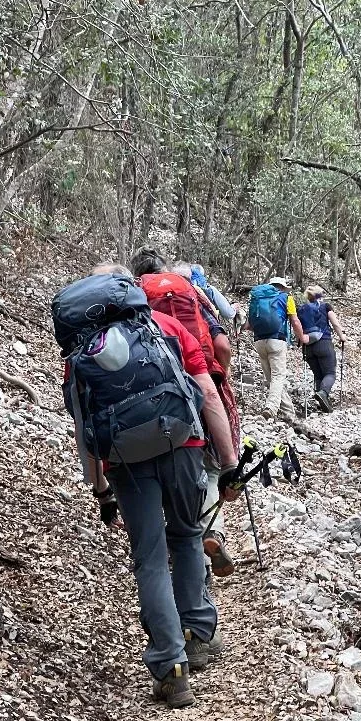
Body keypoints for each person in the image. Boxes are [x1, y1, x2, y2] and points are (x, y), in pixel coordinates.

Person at [55, 265, 239, 710]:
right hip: (183, 445)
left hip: (124, 462)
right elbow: (209, 395)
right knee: (188, 536)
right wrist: (229, 460)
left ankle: (170, 668)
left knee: (151, 558)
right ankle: (196, 633)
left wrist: (100, 488)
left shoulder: (83, 349)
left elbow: (85, 428)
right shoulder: (169, 327)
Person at [130, 248, 240, 580]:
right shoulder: (191, 292)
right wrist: (221, 374)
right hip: (201, 385)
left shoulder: (133, 296)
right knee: (208, 469)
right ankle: (208, 533)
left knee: (162, 469)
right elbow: (222, 347)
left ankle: (175, 546)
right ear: (164, 268)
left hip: (150, 394)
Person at [247, 276, 308, 423]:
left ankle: (289, 413)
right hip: (277, 340)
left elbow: (249, 325)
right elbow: (294, 320)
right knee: (278, 377)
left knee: (272, 379)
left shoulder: (257, 298)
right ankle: (271, 409)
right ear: (282, 287)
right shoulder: (286, 298)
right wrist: (302, 337)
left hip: (259, 341)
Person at [296, 285, 346, 412]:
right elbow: (334, 323)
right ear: (320, 296)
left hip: (308, 347)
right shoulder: (325, 306)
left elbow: (297, 328)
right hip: (324, 343)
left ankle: (322, 405)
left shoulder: (301, 309)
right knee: (330, 373)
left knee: (318, 376)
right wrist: (342, 336)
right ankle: (323, 393)